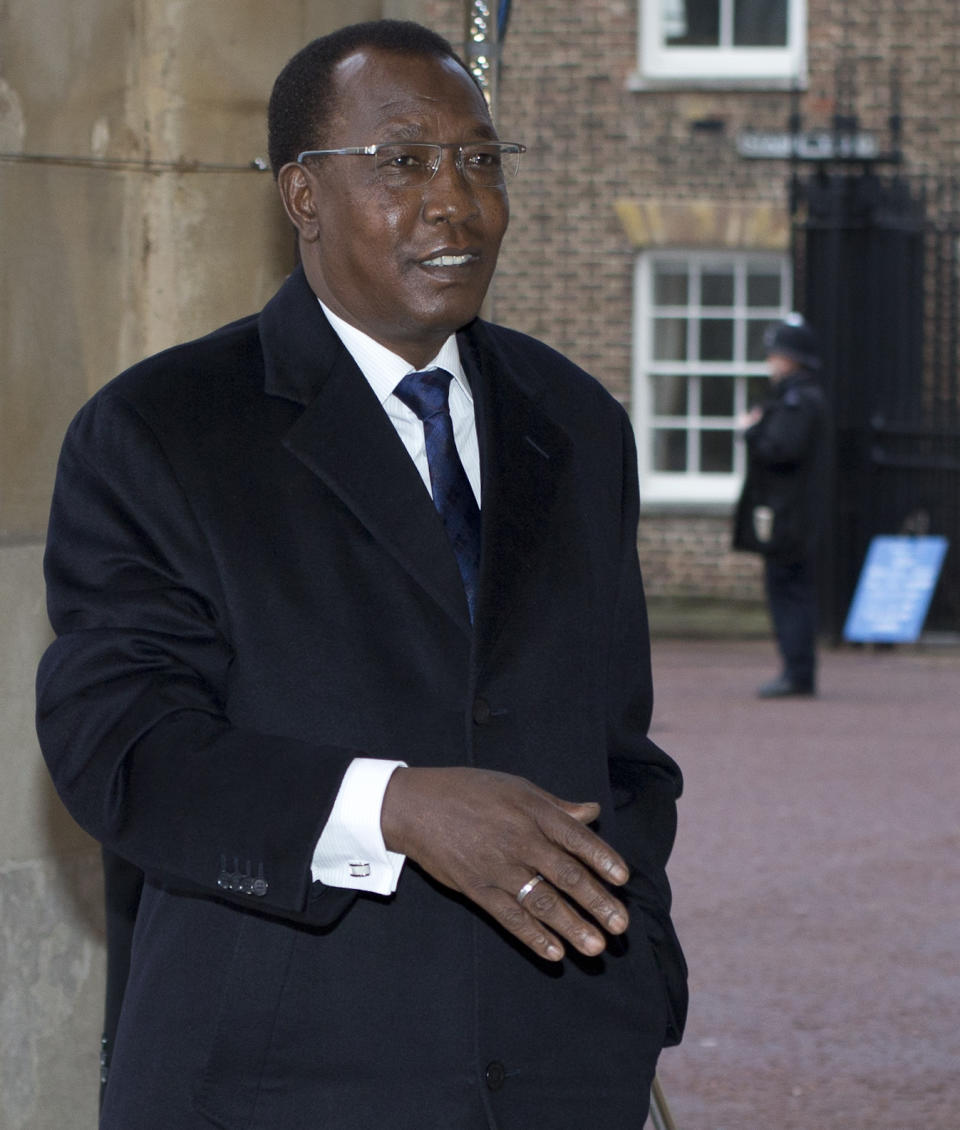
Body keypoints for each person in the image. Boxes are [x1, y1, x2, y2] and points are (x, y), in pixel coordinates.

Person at [36, 19, 686, 1129]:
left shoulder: (577, 424)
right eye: (403, 161)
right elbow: (125, 750)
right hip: (278, 1085)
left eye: (480, 160)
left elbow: (620, 756)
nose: (455, 201)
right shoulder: (161, 430)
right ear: (303, 195)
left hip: (561, 1078)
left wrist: (638, 988)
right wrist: (392, 805)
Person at [733, 313, 828, 697]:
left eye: (776, 354)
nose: (771, 360)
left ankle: (797, 672)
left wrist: (750, 430)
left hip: (790, 513)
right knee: (791, 588)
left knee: (787, 589)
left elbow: (780, 448)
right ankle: (796, 668)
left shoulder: (797, 399)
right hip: (794, 510)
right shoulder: (800, 397)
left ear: (791, 358)